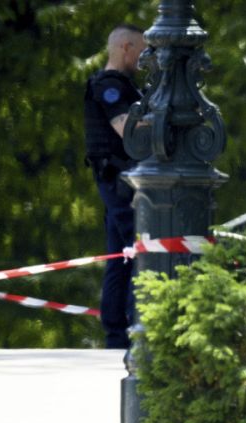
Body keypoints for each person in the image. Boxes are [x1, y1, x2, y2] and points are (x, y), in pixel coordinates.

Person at [83, 24, 145, 349]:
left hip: (118, 181)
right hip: (119, 182)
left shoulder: (121, 85)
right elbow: (129, 131)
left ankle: (116, 335)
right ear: (125, 47)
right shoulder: (110, 86)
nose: (143, 58)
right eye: (141, 49)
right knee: (142, 252)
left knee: (120, 258)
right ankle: (137, 330)